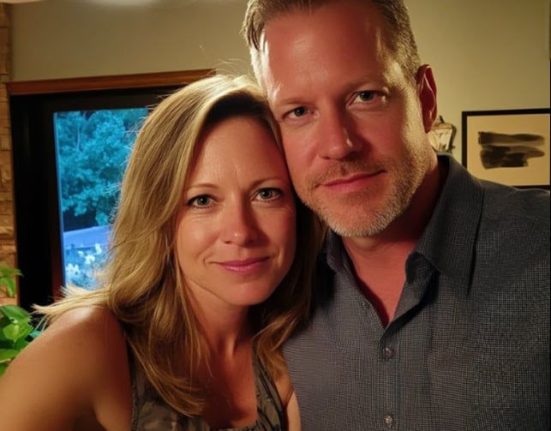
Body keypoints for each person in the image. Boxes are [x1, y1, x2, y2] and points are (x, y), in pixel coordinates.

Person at [242, 1, 550, 430]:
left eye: (366, 96)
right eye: (298, 112)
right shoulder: (276, 286)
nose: (338, 145)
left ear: (425, 98)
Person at [0, 74, 322, 430]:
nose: (241, 232)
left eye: (266, 194)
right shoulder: (88, 344)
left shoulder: (302, 341)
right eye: (202, 200)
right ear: (158, 215)